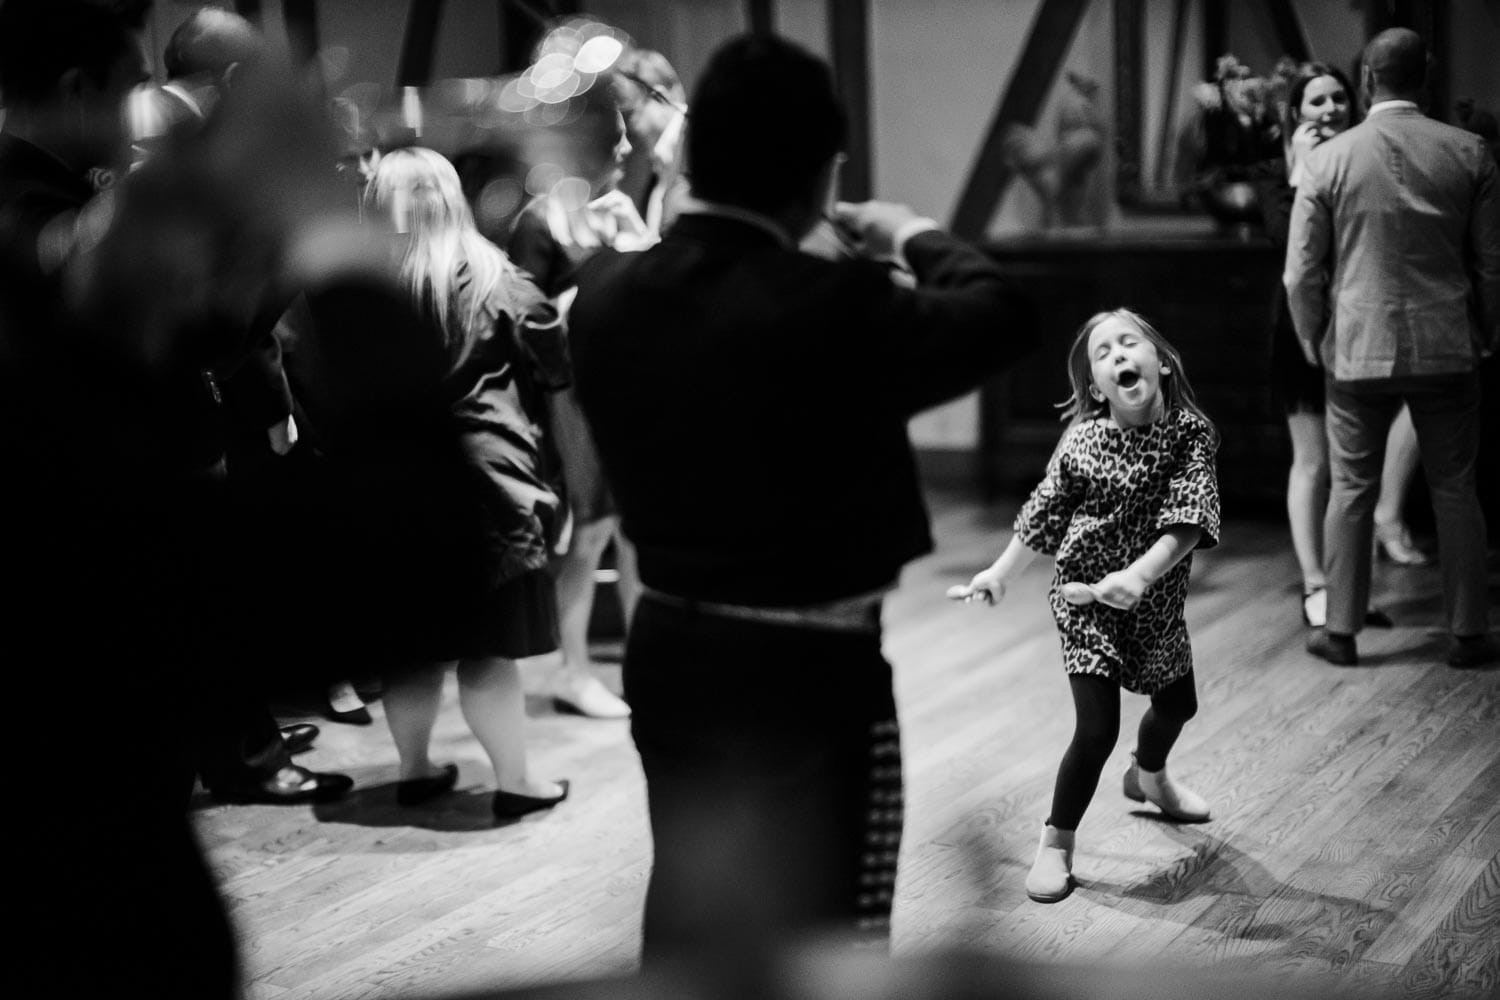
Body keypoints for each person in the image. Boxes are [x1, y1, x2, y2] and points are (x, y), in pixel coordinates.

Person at [565, 33, 1034, 958]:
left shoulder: (606, 293)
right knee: (833, 936)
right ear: (821, 175)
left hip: (669, 647)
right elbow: (1001, 313)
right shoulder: (836, 306)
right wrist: (907, 232)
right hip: (812, 669)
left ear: (691, 160)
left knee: (693, 904)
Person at [950, 308, 1219, 904]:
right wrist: (998, 573)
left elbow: (1191, 521)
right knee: (1096, 729)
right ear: (1095, 386)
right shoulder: (1085, 440)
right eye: (1104, 353)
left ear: (1164, 364)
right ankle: (1057, 842)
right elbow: (1043, 513)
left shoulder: (1189, 435)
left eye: (1131, 343)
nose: (1119, 355)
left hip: (1155, 600)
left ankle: (1149, 776)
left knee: (1179, 704)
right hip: (1085, 601)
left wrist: (1141, 577)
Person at [365, 146, 570, 818]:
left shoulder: (358, 292)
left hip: (391, 489)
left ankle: (415, 767)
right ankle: (515, 781)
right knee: (487, 649)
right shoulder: (498, 280)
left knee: (413, 647)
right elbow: (556, 372)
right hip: (488, 489)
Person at [1284, 28, 1499, 669]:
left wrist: (1310, 334)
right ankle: (1467, 633)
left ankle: (1342, 631)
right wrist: (1489, 328)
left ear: (1368, 80)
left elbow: (1301, 273)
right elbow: (1492, 263)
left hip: (1355, 346)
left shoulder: (1328, 160)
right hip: (1447, 344)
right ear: (1426, 77)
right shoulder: (1470, 151)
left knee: (1350, 488)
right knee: (1456, 488)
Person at [1257, 63, 1425, 631]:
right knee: (1313, 464)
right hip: (1301, 330)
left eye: (1337, 99)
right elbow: (1291, 249)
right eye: (1315, 102)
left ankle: (1349, 590)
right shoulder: (1274, 176)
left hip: (1356, 327)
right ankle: (1315, 585)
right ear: (1296, 114)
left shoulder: (1363, 159)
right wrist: (1303, 173)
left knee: (1356, 468)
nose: (1329, 109)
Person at [508, 73, 645, 720]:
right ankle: (575, 670)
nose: (625, 151)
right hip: (574, 398)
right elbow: (524, 317)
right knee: (587, 534)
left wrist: (637, 240)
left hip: (628, 388)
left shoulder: (618, 210)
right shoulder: (539, 221)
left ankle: (648, 660)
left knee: (638, 531)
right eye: (613, 141)